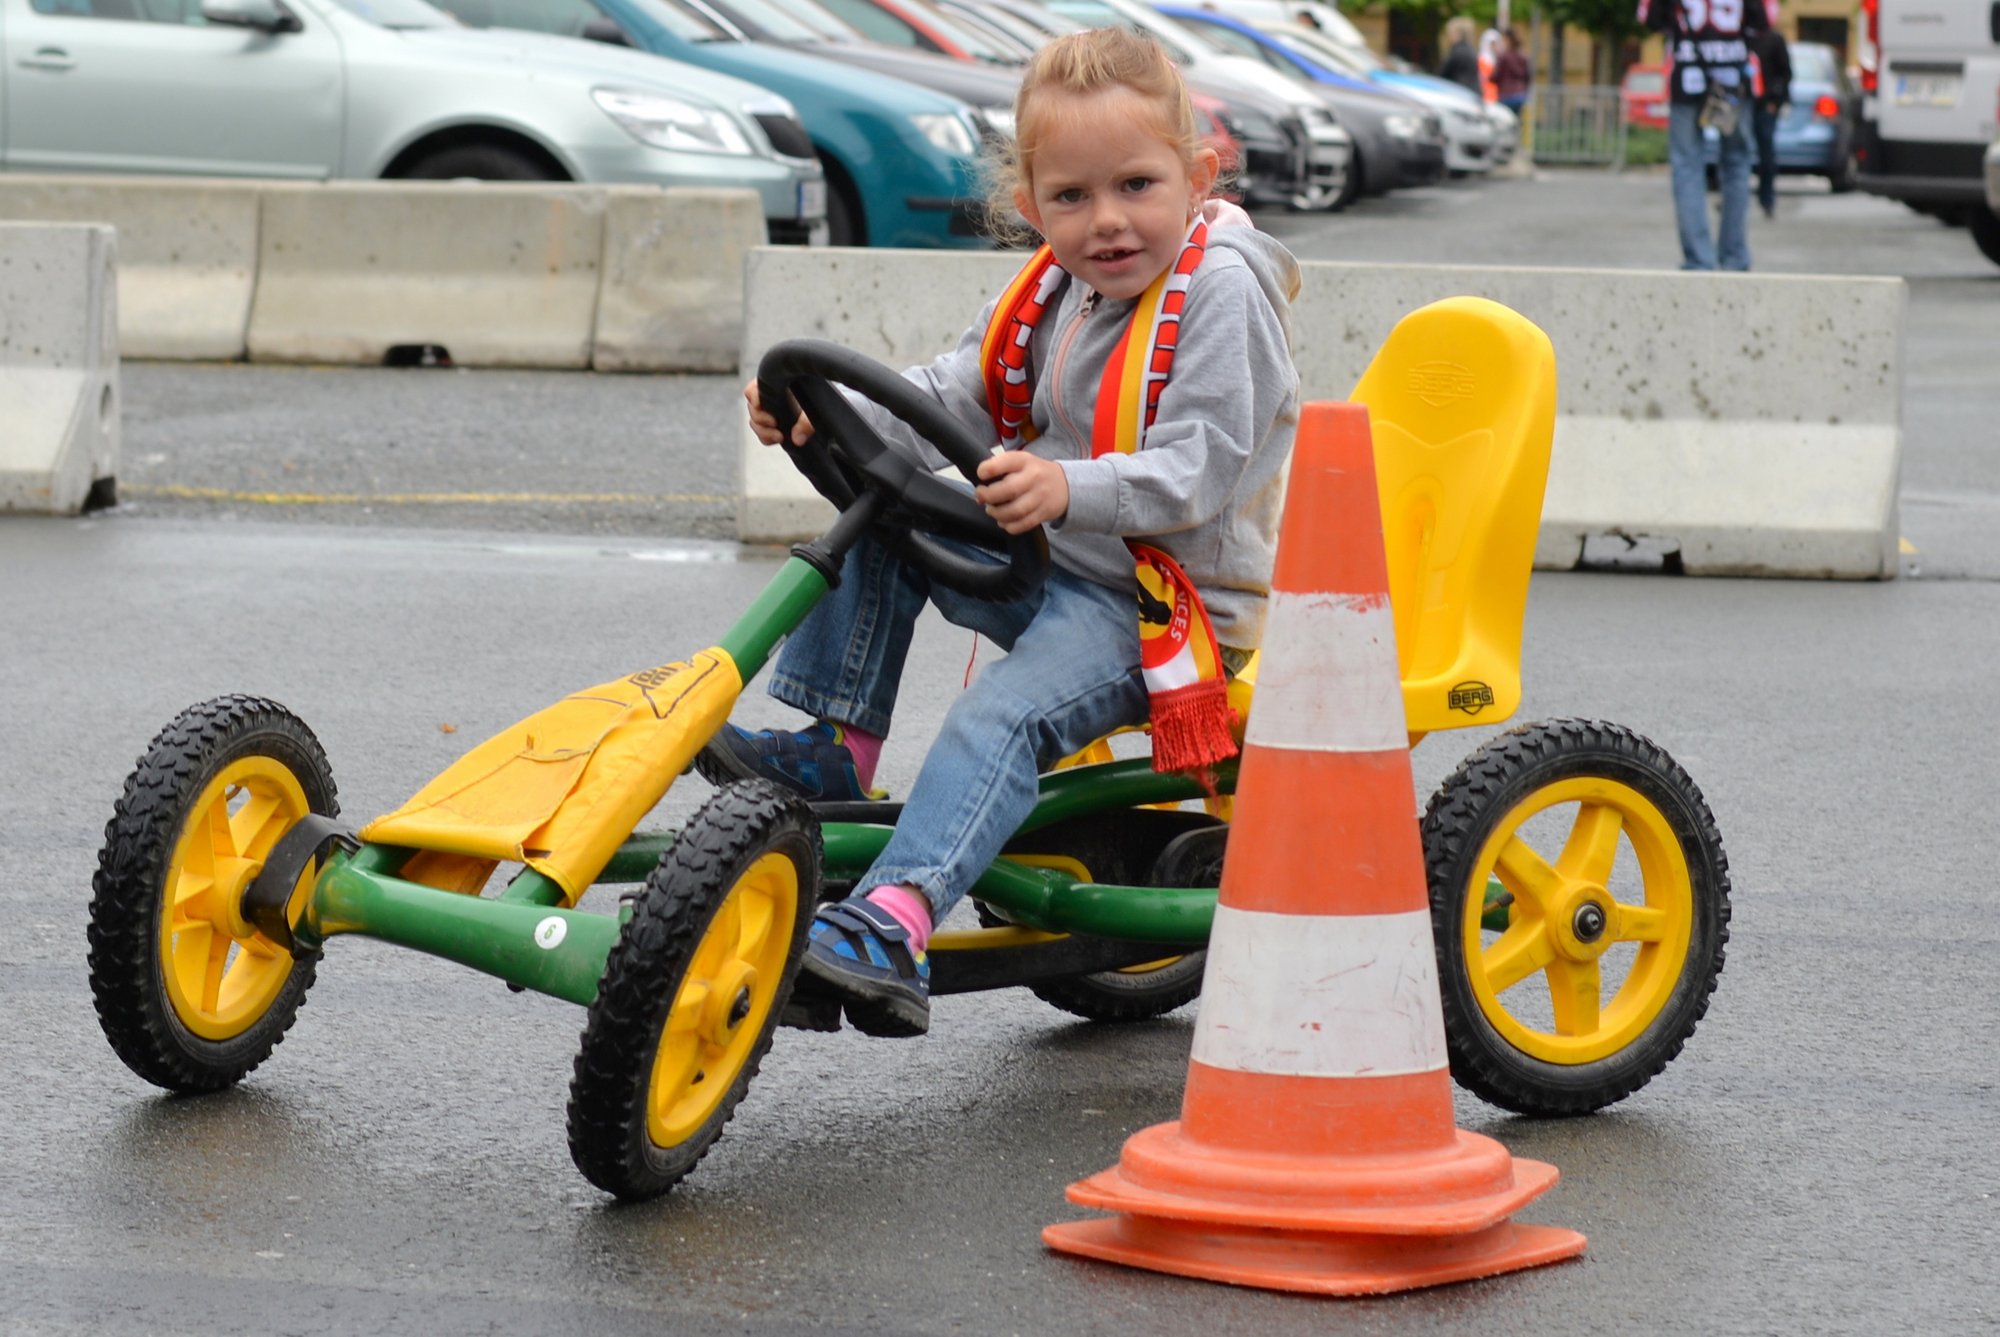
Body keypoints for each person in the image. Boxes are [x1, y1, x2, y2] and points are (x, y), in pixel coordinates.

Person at [707, 26, 1303, 1038]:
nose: (1105, 220)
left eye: (1136, 186)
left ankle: (896, 918)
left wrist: (1065, 486)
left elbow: (1200, 468)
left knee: (1000, 716)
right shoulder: (1054, 286)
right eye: (1071, 197)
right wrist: (823, 415)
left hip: (1158, 607)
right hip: (1052, 558)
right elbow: (954, 389)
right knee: (882, 508)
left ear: (1197, 177)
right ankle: (838, 747)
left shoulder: (1222, 293)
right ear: (1031, 206)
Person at [1642, 0, 1768, 270]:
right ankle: (1734, 256)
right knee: (1737, 165)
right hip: (1733, 80)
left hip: (1687, 76)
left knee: (1687, 167)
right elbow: (1763, 21)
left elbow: (1651, 18)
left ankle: (1699, 258)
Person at [1748, 20, 1792, 217]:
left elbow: (1785, 73)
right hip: (1743, 104)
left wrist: (1776, 101)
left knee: (1766, 153)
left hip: (1765, 105)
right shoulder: (1742, 38)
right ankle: (1731, 197)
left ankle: (1767, 199)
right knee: (1735, 152)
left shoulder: (1773, 40)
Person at [1493, 27, 1532, 117]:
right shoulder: (1523, 56)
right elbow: (1528, 77)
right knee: (1516, 119)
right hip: (1519, 95)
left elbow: (1496, 76)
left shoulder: (1503, 57)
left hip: (1506, 94)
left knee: (1504, 119)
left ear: (1507, 40)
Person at [1438, 17, 1482, 95]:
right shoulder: (1470, 50)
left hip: (1460, 92)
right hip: (1472, 92)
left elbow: (1443, 73)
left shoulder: (1457, 51)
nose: (1448, 37)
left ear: (1457, 34)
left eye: (1450, 33)